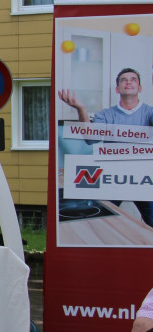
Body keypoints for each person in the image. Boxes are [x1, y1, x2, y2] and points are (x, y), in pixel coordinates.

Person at [58, 67, 153, 227]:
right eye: (124, 79)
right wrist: (81, 109)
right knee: (98, 221)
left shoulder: (149, 113)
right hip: (113, 178)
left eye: (133, 79)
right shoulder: (105, 115)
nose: (128, 82)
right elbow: (90, 138)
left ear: (140, 88)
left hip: (143, 179)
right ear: (117, 89)